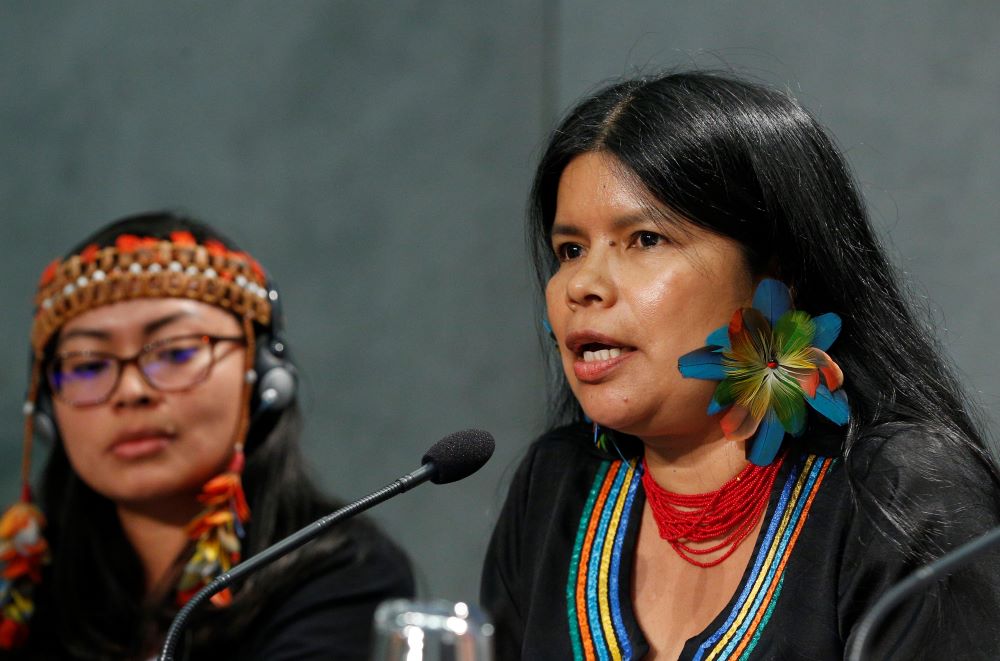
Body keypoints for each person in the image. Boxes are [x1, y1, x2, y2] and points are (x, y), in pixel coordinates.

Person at [480, 71, 1000, 660]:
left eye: (646, 239)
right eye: (569, 250)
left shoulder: (896, 492)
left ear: (778, 273)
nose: (583, 285)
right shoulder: (559, 486)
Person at [0, 212, 414, 659]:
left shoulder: (342, 576)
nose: (131, 391)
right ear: (45, 409)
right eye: (87, 365)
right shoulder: (25, 590)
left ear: (263, 378)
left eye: (176, 352)